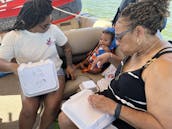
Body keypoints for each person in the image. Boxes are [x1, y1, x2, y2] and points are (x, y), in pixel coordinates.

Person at [58, 0, 172, 129]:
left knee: (67, 120)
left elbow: (163, 126)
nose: (116, 43)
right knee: (65, 117)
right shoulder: (141, 47)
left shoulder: (163, 67)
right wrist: (110, 57)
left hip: (121, 118)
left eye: (119, 37)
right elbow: (133, 75)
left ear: (139, 32)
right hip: (111, 104)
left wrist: (114, 108)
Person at [0, 0, 76, 129]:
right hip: (29, 74)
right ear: (30, 23)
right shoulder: (13, 36)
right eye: (44, 26)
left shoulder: (53, 29)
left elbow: (67, 48)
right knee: (29, 109)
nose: (49, 26)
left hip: (54, 71)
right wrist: (15, 67)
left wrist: (69, 65)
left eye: (50, 22)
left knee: (53, 105)